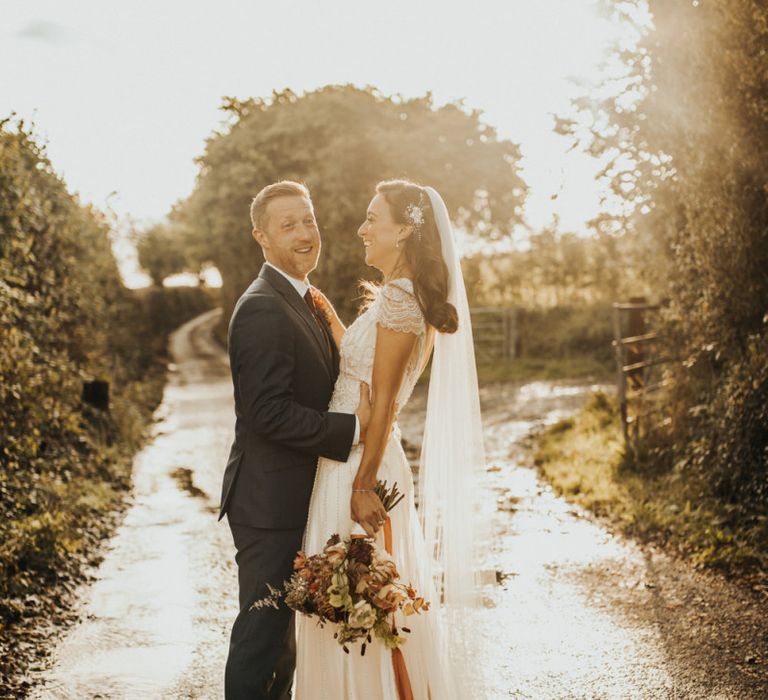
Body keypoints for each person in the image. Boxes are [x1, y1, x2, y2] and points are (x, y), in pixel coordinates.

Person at [295, 179, 487, 699]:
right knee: (343, 601)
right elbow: (363, 366)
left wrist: (362, 485)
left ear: (403, 230)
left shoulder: (402, 301)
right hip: (346, 456)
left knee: (359, 603)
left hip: (362, 463)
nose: (362, 229)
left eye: (372, 219)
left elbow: (382, 402)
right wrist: (333, 319)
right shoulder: (395, 298)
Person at [218, 180, 373, 700]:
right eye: (289, 225)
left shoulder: (304, 299)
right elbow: (266, 412)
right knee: (262, 639)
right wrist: (352, 430)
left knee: (286, 645)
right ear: (261, 236)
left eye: (309, 220)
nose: (306, 232)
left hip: (298, 497)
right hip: (268, 504)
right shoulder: (262, 305)